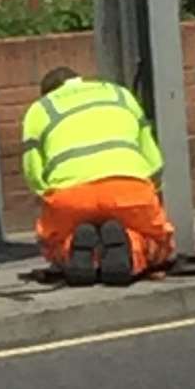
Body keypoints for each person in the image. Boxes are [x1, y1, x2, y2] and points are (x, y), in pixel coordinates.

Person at [21, 66, 175, 286]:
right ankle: (131, 248)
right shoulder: (120, 94)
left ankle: (74, 250)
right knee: (159, 242)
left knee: (53, 242)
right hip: (128, 188)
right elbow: (154, 160)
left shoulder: (40, 109)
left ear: (48, 93)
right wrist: (151, 190)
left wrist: (47, 195)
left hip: (71, 195)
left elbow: (33, 171)